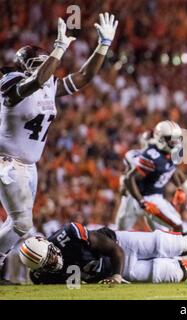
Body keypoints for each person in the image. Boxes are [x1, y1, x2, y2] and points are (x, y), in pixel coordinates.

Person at [0, 13, 118, 283]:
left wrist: (104, 44)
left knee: (15, 226)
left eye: (45, 62)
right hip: (7, 162)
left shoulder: (49, 84)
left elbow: (85, 76)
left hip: (30, 166)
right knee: (21, 224)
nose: (44, 67)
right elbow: (36, 82)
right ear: (22, 66)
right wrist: (59, 48)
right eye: (36, 63)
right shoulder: (9, 84)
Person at [19, 222, 187, 284]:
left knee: (176, 243)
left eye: (51, 254)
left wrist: (117, 275)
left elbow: (113, 249)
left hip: (122, 246)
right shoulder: (40, 275)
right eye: (47, 263)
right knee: (168, 274)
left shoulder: (70, 235)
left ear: (50, 244)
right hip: (110, 273)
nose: (53, 262)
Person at [116, 122, 187, 232]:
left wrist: (183, 189)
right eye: (172, 139)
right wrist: (142, 202)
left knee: (165, 231)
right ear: (160, 139)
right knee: (121, 232)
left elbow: (172, 170)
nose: (176, 142)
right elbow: (128, 179)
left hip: (154, 197)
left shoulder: (170, 153)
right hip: (138, 197)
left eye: (177, 138)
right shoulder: (151, 157)